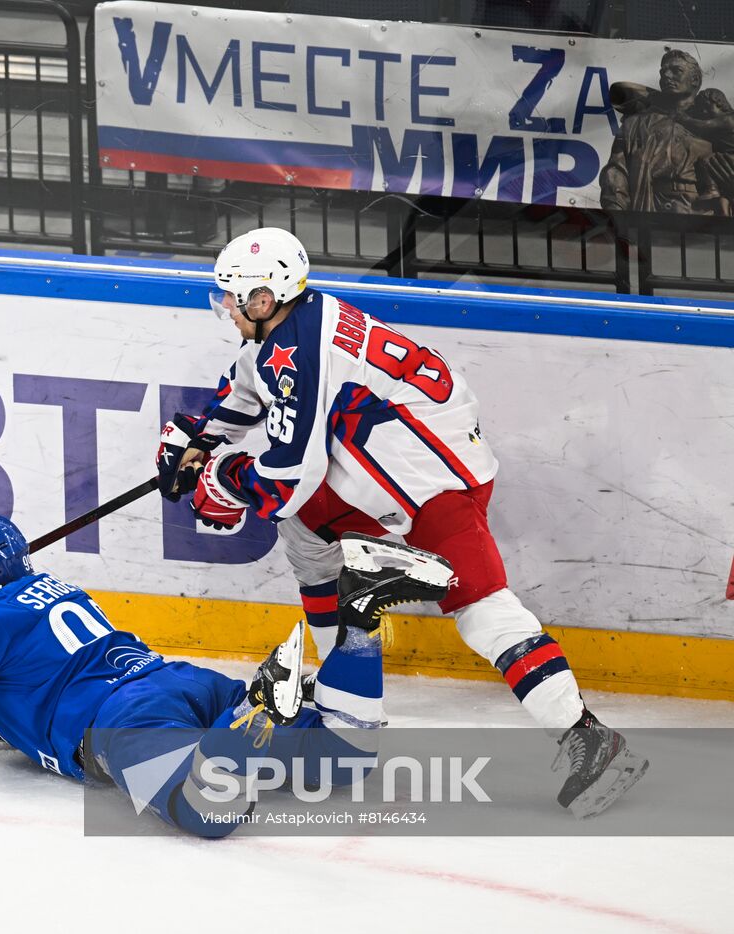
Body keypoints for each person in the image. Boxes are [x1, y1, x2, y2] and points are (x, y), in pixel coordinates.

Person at [152, 227, 649, 818]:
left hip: (433, 481)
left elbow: (287, 477)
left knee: (480, 608)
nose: (227, 308)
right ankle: (342, 695)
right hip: (400, 461)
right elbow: (249, 386)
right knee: (307, 534)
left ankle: (586, 735)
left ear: (265, 299)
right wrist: (199, 439)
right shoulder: (295, 323)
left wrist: (222, 477)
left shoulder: (297, 348)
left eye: (235, 298)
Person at [0, 516, 453, 837]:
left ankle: (256, 722)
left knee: (210, 810)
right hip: (179, 683)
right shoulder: (56, 595)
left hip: (122, 724)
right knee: (343, 755)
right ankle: (359, 612)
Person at [600, 49, 713, 214]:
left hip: (698, 214)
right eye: (663, 72)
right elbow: (616, 171)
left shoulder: (714, 125)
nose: (667, 75)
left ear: (694, 80)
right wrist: (616, 213)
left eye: (676, 71)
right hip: (648, 207)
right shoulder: (634, 124)